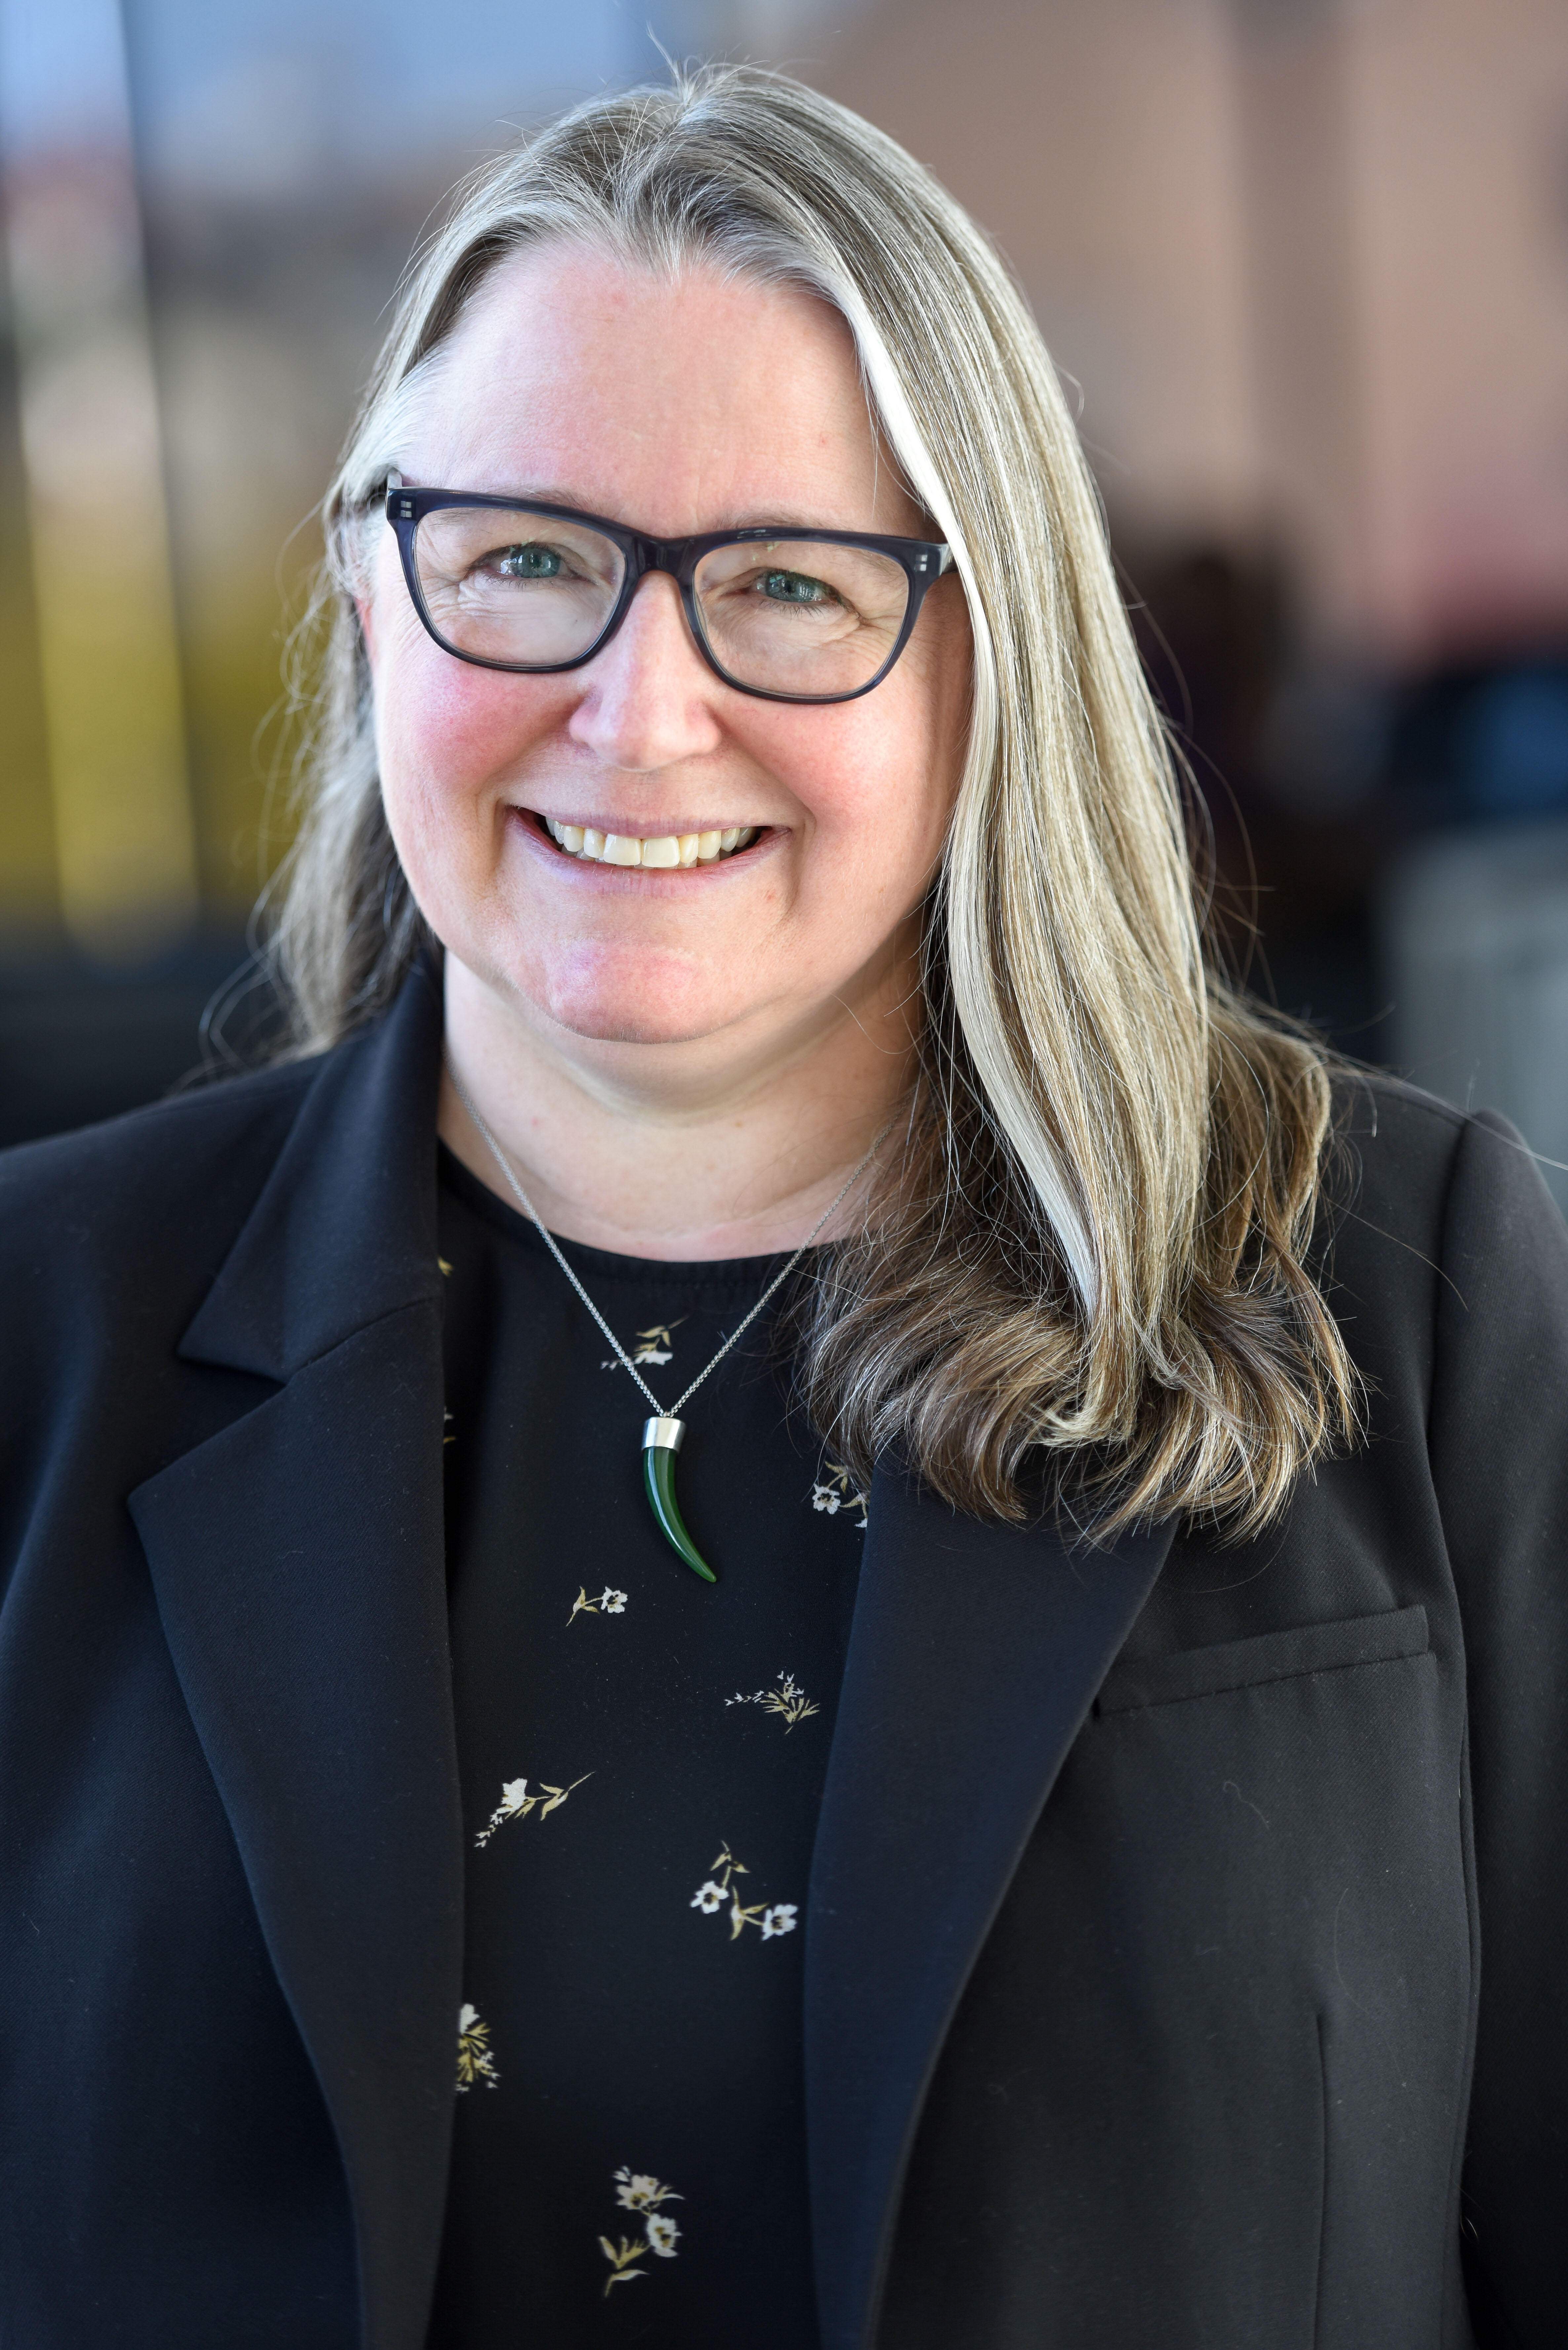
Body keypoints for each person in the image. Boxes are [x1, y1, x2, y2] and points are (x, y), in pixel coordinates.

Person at [1, 61, 1563, 2350]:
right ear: (369, 599)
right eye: (527, 559)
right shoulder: (38, 1334)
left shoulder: (1420, 1296)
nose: (641, 715)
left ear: (981, 656)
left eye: (785, 585)